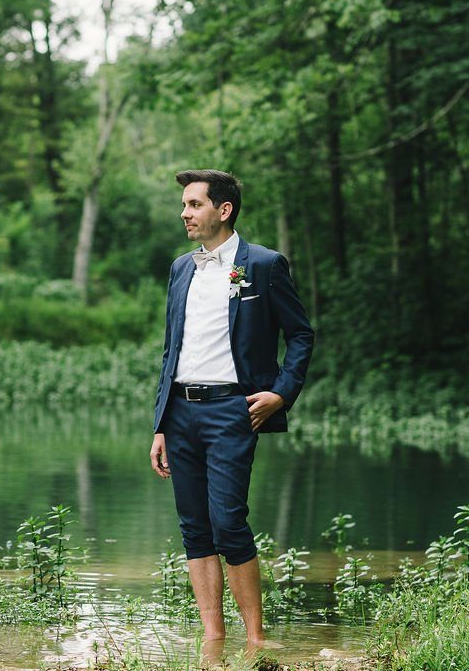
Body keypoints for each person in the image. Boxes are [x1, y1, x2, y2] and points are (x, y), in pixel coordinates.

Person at [150, 170, 313, 651]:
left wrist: (282, 391)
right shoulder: (182, 268)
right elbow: (169, 350)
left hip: (232, 411)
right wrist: (160, 424)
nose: (185, 213)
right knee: (194, 528)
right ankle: (213, 640)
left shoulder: (262, 265)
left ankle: (257, 639)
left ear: (224, 210)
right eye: (184, 204)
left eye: (195, 204)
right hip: (179, 412)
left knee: (228, 521)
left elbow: (301, 334)